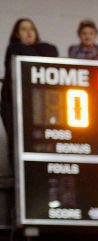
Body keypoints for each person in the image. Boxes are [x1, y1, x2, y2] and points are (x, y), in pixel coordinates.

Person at [1, 19, 58, 167]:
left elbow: (53, 51)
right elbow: (22, 51)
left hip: (39, 106)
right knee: (18, 144)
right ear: (17, 34)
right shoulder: (13, 48)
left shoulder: (45, 47)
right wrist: (36, 51)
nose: (29, 32)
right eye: (24, 29)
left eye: (31, 28)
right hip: (15, 106)